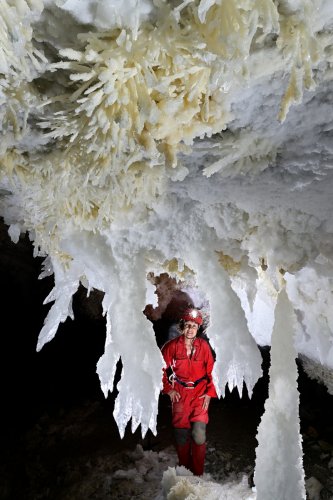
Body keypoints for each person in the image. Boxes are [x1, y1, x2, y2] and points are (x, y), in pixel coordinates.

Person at [161, 307, 217, 476]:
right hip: (180, 393)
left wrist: (209, 393)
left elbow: (212, 371)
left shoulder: (204, 347)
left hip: (200, 394)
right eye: (187, 325)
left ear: (198, 328)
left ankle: (198, 473)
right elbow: (159, 369)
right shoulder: (172, 346)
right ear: (182, 326)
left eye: (194, 325)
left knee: (199, 434)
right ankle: (185, 470)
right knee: (181, 434)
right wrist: (168, 389)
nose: (190, 329)